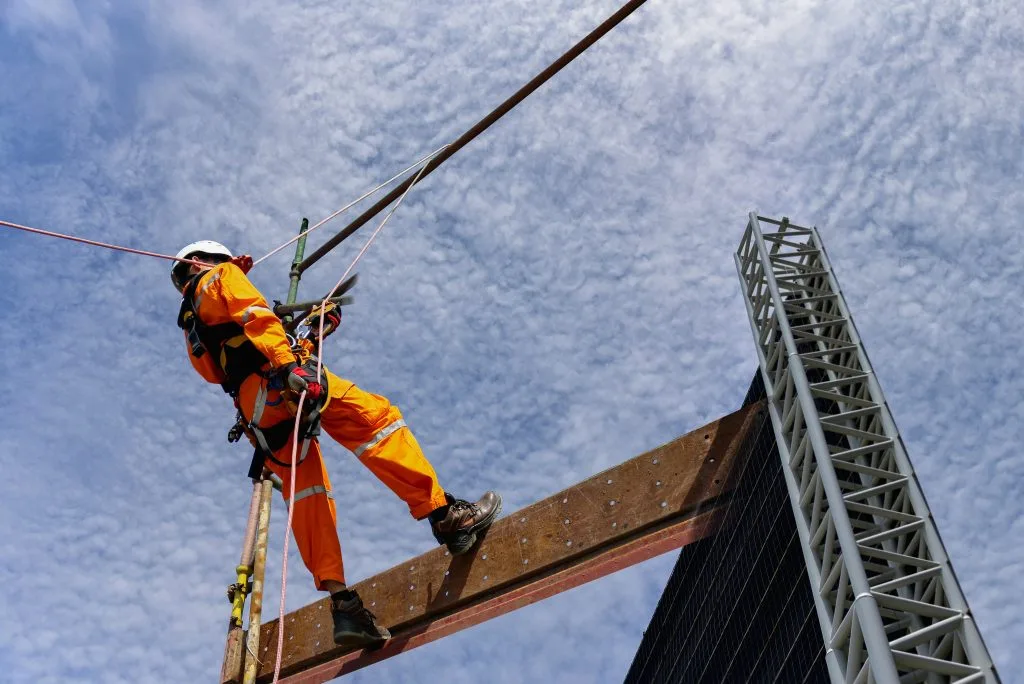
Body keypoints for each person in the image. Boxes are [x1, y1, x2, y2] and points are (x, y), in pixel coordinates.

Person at [171, 240, 501, 650]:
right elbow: (256, 318)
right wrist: (293, 365)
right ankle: (446, 515)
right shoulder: (220, 277)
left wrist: (312, 333)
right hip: (280, 384)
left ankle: (344, 603)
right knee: (376, 422)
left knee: (308, 495)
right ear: (203, 261)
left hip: (259, 412)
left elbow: (245, 356)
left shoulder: (193, 326)